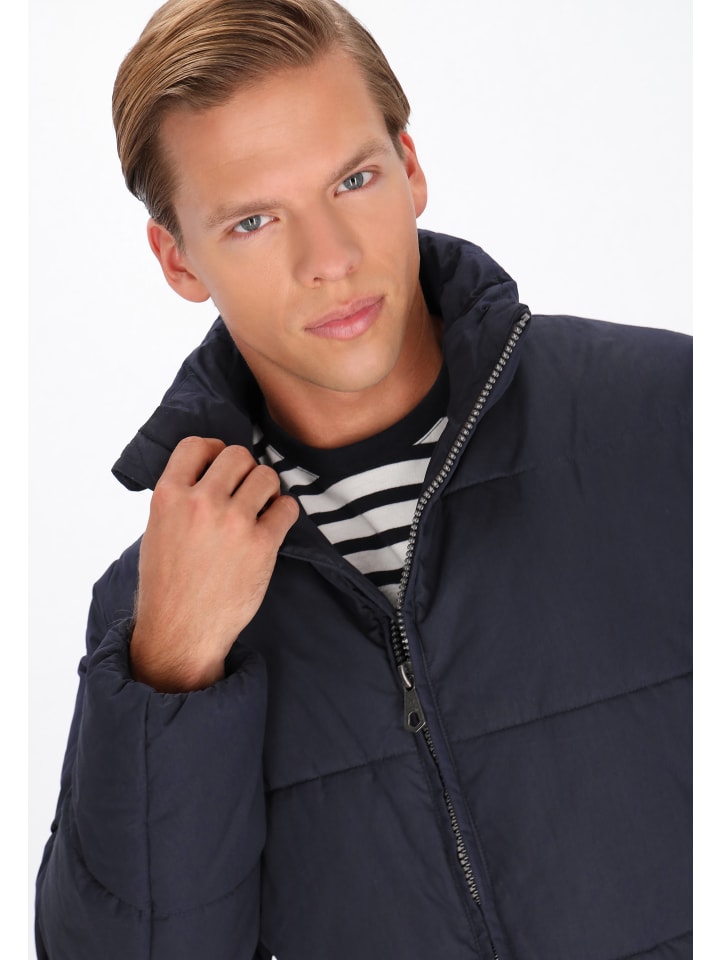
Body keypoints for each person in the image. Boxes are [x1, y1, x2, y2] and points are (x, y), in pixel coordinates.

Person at [34, 0, 692, 957]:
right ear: (177, 258)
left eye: (353, 179)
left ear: (410, 167)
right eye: (254, 220)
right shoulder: (156, 612)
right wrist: (171, 674)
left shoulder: (675, 419)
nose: (331, 260)